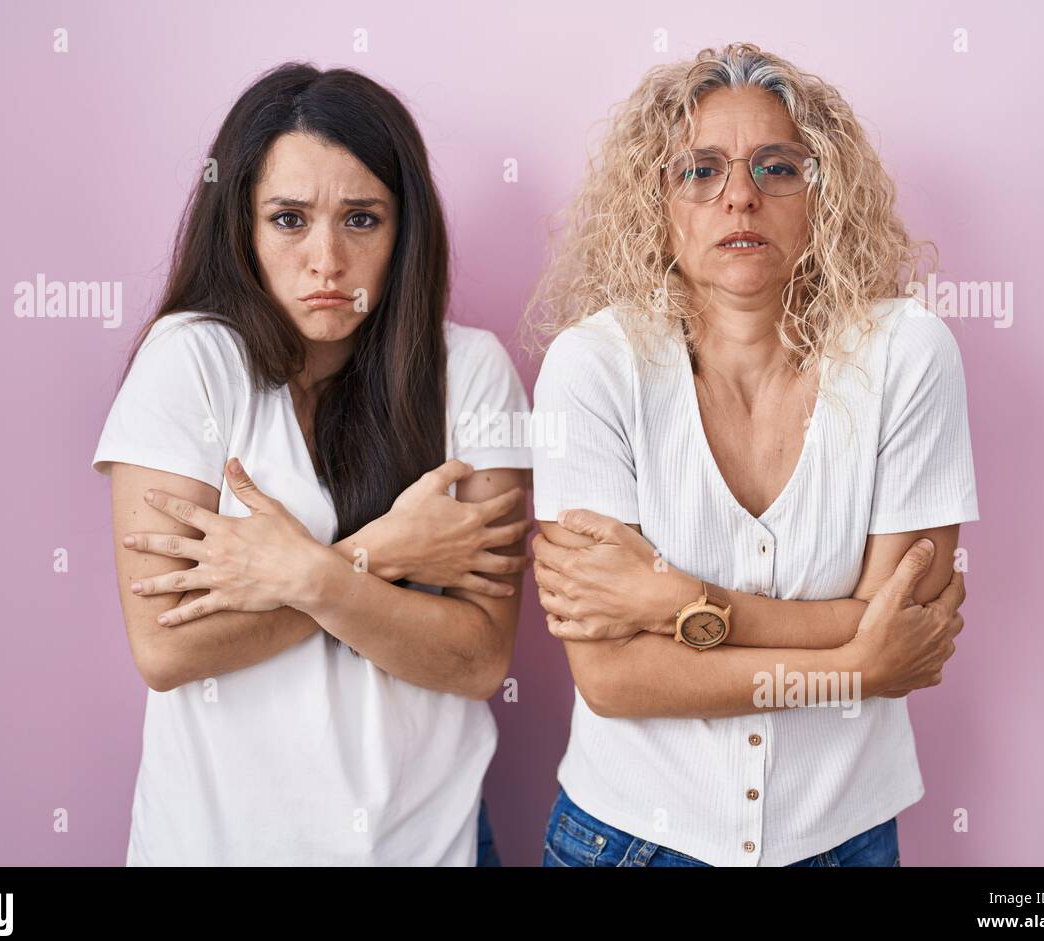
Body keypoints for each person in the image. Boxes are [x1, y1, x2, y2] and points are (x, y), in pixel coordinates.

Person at [526, 43, 978, 867]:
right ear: (655, 202)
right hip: (629, 840)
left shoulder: (908, 353)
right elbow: (614, 681)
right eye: (699, 171)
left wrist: (672, 602)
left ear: (822, 193)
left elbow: (903, 626)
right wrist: (854, 668)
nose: (739, 195)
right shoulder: (593, 366)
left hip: (844, 839)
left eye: (777, 168)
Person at [91, 62, 531, 865]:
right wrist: (384, 554)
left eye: (361, 219)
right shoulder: (188, 362)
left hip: (428, 845)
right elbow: (167, 650)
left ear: (406, 231)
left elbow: (477, 659)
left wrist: (306, 574)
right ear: (242, 228)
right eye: (289, 219)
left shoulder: (470, 371)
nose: (326, 259)